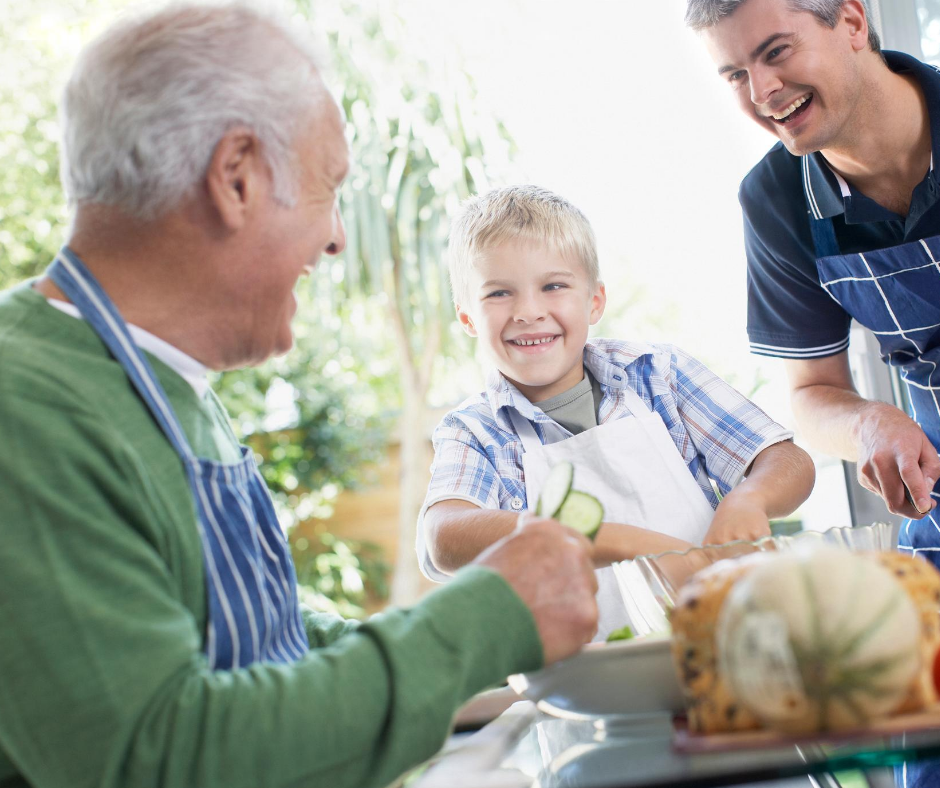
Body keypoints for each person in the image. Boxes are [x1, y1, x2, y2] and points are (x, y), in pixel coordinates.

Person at [0, 5, 602, 788]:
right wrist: (483, 619)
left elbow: (264, 641)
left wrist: (481, 660)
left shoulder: (164, 383)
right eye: (329, 186)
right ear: (237, 177)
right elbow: (153, 760)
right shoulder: (26, 409)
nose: (337, 238)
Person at [417, 185, 815, 640]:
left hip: (726, 640)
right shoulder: (474, 431)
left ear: (595, 301)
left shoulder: (659, 375)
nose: (528, 311)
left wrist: (749, 499)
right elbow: (444, 536)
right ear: (468, 318)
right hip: (581, 673)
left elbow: (788, 462)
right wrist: (619, 541)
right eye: (499, 293)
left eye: (553, 286)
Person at [685, 0, 940, 565]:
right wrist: (868, 423)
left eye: (776, 51)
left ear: (852, 21)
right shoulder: (775, 200)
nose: (762, 91)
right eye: (736, 76)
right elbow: (810, 394)